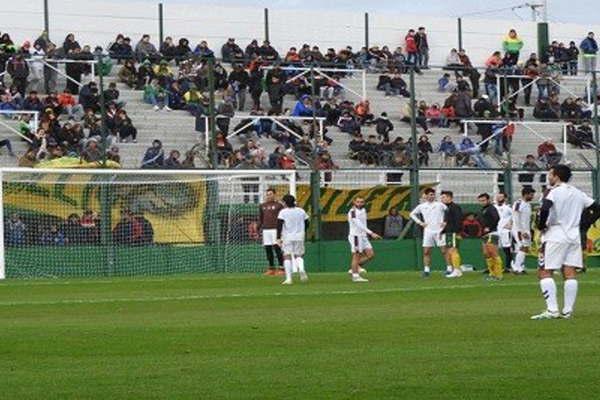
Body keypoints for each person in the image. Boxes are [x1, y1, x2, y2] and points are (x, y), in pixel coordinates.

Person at [532, 164, 600, 320]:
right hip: (573, 236)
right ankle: (567, 311)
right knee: (569, 273)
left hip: (555, 234)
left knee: (544, 272)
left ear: (556, 176)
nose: (548, 176)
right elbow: (597, 208)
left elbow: (545, 208)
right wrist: (585, 224)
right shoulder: (578, 193)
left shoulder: (553, 192)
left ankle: (552, 310)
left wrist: (541, 225)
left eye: (550, 174)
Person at [410, 188, 448, 278]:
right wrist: (420, 223)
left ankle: (449, 268)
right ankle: (427, 270)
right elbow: (412, 214)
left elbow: (449, 212)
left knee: (444, 250)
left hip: (439, 231)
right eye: (430, 194)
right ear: (426, 195)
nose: (432, 196)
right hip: (428, 231)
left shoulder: (440, 205)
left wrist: (445, 222)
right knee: (426, 251)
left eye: (433, 194)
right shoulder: (422, 206)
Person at [276, 194, 309, 285]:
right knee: (299, 255)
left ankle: (289, 279)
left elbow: (279, 225)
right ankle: (301, 269)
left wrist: (278, 238)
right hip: (300, 236)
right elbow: (307, 222)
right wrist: (302, 231)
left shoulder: (283, 212)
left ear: (285, 203)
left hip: (288, 236)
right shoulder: (301, 211)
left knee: (287, 256)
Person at [347, 196, 381, 283]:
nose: (359, 203)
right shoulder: (352, 212)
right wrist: (371, 233)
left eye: (361, 202)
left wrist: (367, 234)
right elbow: (358, 224)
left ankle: (353, 268)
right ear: (354, 202)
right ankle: (355, 276)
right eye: (358, 202)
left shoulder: (363, 210)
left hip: (363, 236)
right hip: (356, 236)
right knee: (356, 255)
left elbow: (363, 224)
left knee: (371, 254)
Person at [259, 188, 285, 276]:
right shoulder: (262, 205)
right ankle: (271, 268)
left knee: (277, 248)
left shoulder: (279, 205)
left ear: (274, 194)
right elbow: (261, 218)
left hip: (275, 229)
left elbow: (282, 218)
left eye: (270, 194)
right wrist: (258, 228)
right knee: (268, 249)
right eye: (267, 194)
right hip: (266, 230)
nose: (268, 196)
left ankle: (282, 268)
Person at [477, 193, 503, 280]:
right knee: (486, 254)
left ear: (488, 200)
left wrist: (490, 228)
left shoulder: (491, 208)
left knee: (493, 253)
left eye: (483, 200)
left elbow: (497, 218)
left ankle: (498, 274)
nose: (482, 202)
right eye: (480, 201)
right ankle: (492, 273)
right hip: (484, 234)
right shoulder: (483, 209)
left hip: (492, 233)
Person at [511, 187, 536, 274]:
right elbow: (516, 218)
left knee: (525, 248)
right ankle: (516, 267)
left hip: (526, 229)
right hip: (519, 230)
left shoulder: (528, 204)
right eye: (531, 195)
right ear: (526, 194)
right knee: (522, 247)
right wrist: (522, 231)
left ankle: (519, 266)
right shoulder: (518, 203)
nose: (532, 197)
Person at [441, 191, 464, 278]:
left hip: (453, 232)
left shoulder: (455, 207)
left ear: (449, 197)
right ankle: (456, 269)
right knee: (450, 251)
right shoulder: (447, 208)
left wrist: (457, 231)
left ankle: (457, 270)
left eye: (444, 197)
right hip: (448, 232)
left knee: (452, 250)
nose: (442, 199)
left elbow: (459, 220)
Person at [494, 192, 513, 273]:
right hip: (495, 231)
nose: (499, 198)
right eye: (498, 197)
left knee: (507, 249)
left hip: (505, 231)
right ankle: (494, 267)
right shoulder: (493, 207)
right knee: (493, 249)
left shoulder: (508, 208)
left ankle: (508, 267)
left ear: (505, 198)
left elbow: (514, 216)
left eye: (501, 197)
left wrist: (510, 224)